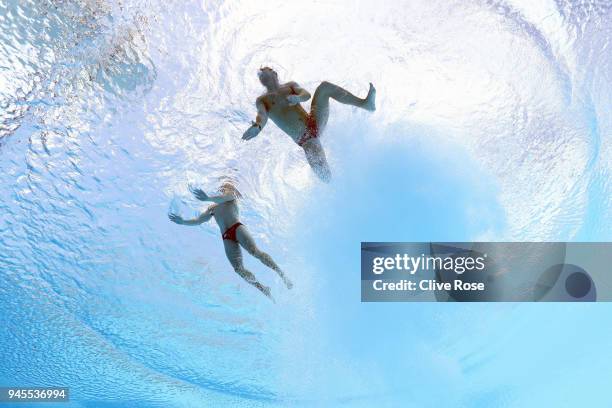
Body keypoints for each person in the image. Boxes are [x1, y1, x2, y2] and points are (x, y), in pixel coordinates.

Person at [242, 67, 376, 182]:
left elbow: (306, 95)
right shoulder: (262, 100)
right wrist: (258, 127)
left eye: (265, 70)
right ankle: (345, 188)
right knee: (325, 177)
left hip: (314, 121)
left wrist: (298, 98)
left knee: (324, 87)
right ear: (261, 81)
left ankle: (365, 104)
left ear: (274, 73)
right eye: (260, 74)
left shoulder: (290, 86)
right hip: (305, 138)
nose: (261, 73)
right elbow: (262, 115)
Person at [168, 182, 292, 300]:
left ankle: (282, 275)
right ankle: (263, 288)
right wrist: (183, 221)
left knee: (254, 252)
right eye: (222, 186)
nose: (223, 187)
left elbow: (226, 196)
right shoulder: (212, 208)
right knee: (238, 269)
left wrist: (207, 198)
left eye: (226, 186)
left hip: (236, 227)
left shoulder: (231, 198)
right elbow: (198, 220)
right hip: (226, 237)